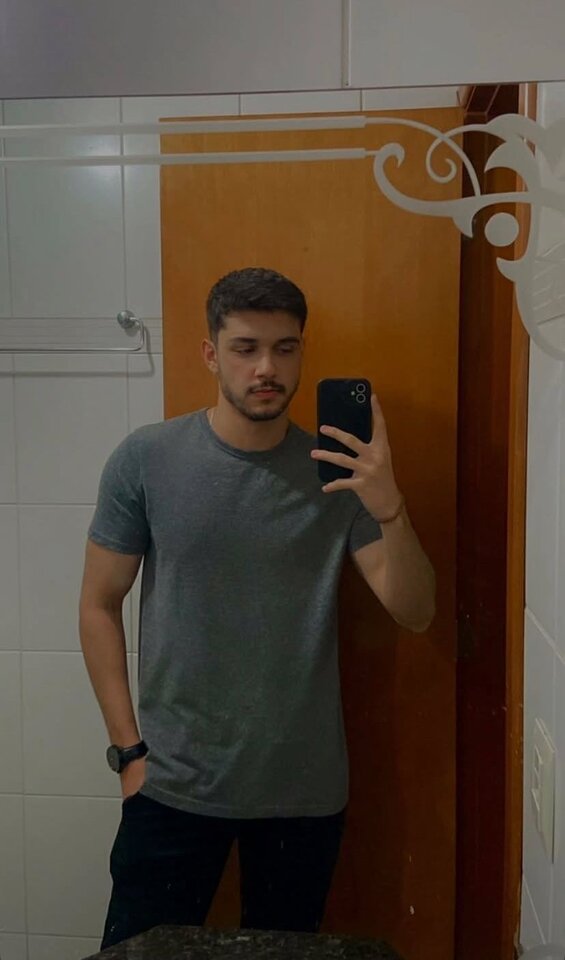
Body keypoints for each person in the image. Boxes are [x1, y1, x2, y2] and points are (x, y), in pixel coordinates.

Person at [79, 266, 435, 950]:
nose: (266, 367)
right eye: (245, 347)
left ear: (301, 353)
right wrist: (128, 753)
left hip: (302, 792)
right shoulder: (146, 459)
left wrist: (389, 506)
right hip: (171, 785)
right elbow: (98, 604)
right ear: (211, 354)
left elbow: (414, 610)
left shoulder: (340, 472)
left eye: (284, 347)